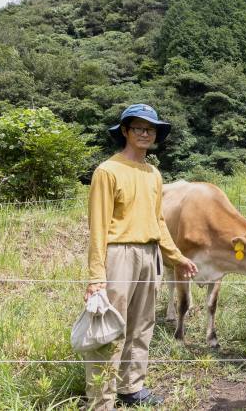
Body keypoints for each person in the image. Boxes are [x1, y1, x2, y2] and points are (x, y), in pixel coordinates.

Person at [83, 104, 198, 410]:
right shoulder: (108, 171)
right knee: (110, 327)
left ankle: (131, 388)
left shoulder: (153, 173)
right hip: (119, 253)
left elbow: (158, 221)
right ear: (125, 132)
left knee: (142, 324)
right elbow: (98, 226)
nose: (145, 134)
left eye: (151, 129)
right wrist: (96, 276)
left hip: (151, 254)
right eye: (139, 128)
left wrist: (176, 257)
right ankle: (101, 399)